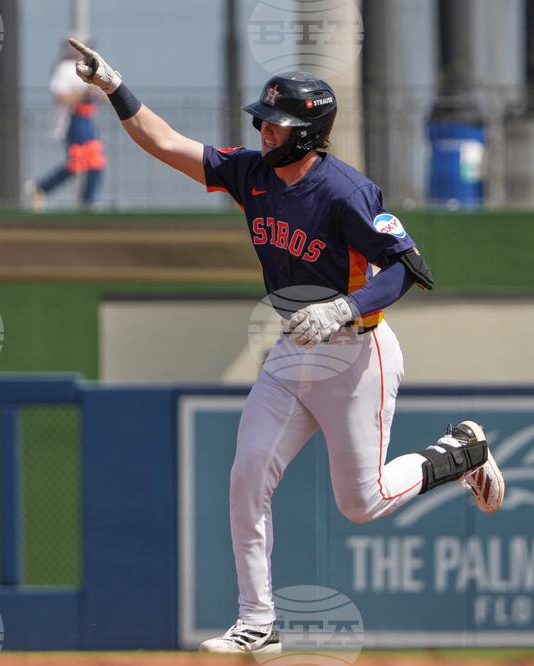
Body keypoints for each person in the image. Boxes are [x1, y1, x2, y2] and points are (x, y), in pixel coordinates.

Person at [68, 39, 505, 655]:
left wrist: (343, 306)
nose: (265, 131)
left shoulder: (346, 192)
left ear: (308, 133)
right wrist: (115, 85)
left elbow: (408, 269)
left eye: (277, 125)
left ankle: (462, 450)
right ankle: (259, 622)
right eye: (264, 122)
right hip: (292, 351)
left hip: (357, 352)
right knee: (247, 477)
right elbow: (166, 143)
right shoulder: (252, 172)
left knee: (363, 502)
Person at [25, 35, 107, 212]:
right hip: (73, 121)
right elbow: (61, 97)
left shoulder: (92, 67)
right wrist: (84, 94)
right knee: (77, 162)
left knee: (96, 160)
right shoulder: (64, 68)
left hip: (87, 119)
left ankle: (90, 201)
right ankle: (42, 186)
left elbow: (104, 96)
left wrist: (101, 91)